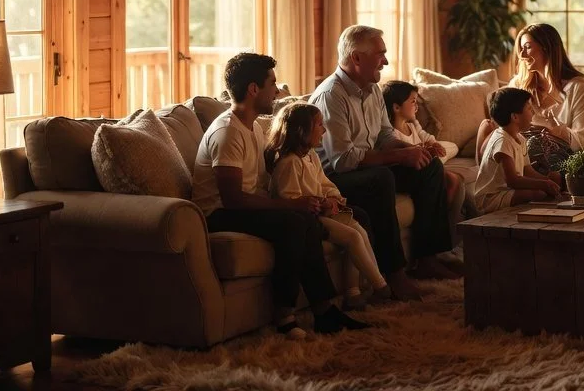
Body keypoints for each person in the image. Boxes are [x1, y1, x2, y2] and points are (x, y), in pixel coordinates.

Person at [190, 53, 367, 338]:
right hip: (218, 213)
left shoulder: (252, 126)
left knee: (306, 219)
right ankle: (284, 315)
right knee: (294, 221)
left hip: (242, 206)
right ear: (253, 89)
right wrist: (291, 203)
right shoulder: (228, 133)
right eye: (272, 83)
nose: (277, 90)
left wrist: (314, 199)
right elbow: (233, 199)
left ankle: (324, 311)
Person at [310, 25, 458, 303]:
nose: (386, 61)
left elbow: (384, 135)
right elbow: (343, 161)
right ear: (356, 58)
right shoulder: (331, 96)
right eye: (380, 54)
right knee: (380, 179)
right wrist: (400, 157)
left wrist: (411, 149)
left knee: (430, 167)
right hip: (334, 180)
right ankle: (394, 274)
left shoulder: (372, 89)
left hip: (367, 168)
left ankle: (427, 259)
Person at [266, 102, 391, 310]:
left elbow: (326, 184)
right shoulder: (290, 163)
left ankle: (354, 292)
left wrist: (333, 199)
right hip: (311, 219)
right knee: (352, 237)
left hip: (323, 211)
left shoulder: (311, 156)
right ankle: (380, 286)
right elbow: (290, 200)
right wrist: (321, 203)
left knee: (358, 228)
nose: (324, 130)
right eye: (319, 125)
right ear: (301, 131)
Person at [475, 23, 584, 175]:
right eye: (521, 49)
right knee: (487, 127)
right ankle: (495, 177)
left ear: (547, 48)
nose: (522, 55)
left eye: (527, 47)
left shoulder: (579, 86)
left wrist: (554, 130)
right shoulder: (519, 84)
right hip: (519, 150)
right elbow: (499, 111)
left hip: (558, 154)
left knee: (529, 145)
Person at [381, 80, 466, 226]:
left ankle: (455, 222)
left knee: (452, 154)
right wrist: (424, 150)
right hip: (414, 168)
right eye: (413, 101)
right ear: (396, 107)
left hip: (427, 162)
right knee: (453, 179)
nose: (417, 106)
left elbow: (426, 136)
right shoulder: (391, 136)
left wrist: (432, 144)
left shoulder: (412, 127)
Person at [474, 88, 563, 212]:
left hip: (507, 191)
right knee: (538, 193)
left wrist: (547, 180)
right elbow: (513, 181)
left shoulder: (520, 138)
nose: (533, 113)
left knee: (552, 181)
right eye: (529, 109)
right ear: (515, 117)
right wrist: (543, 184)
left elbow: (527, 171)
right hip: (491, 197)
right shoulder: (502, 141)